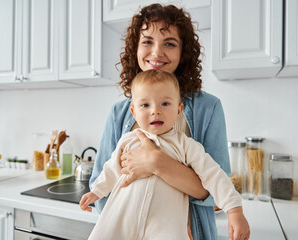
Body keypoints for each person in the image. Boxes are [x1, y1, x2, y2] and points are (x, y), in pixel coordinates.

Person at [88, 3, 250, 240]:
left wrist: (157, 163)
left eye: (170, 43)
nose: (156, 52)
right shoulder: (119, 112)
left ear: (183, 52)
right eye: (147, 41)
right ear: (135, 48)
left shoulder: (208, 108)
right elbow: (100, 186)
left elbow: (217, 188)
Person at [80, 70, 249, 240]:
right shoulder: (127, 141)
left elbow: (214, 175)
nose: (155, 111)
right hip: (122, 222)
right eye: (145, 105)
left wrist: (234, 209)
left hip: (166, 227)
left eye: (165, 104)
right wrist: (95, 192)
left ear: (178, 110)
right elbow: (110, 170)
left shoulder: (186, 146)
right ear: (134, 112)